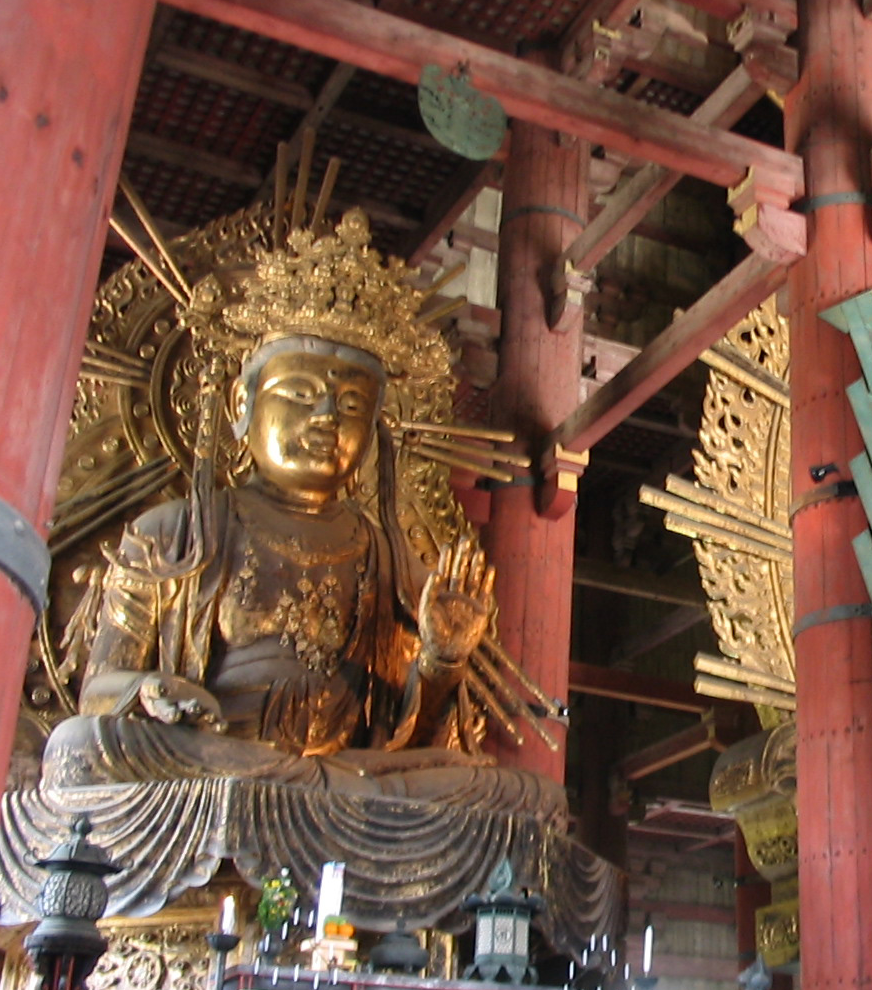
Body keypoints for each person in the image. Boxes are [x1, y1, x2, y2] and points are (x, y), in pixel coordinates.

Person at [41, 212, 563, 821]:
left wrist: (443, 661)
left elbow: (412, 739)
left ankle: (295, 794)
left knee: (518, 795)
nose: (324, 419)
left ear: (374, 431)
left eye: (349, 405)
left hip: (344, 778)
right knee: (80, 747)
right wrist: (147, 690)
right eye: (298, 394)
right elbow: (97, 692)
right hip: (206, 760)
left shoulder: (389, 560)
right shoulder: (173, 533)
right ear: (243, 403)